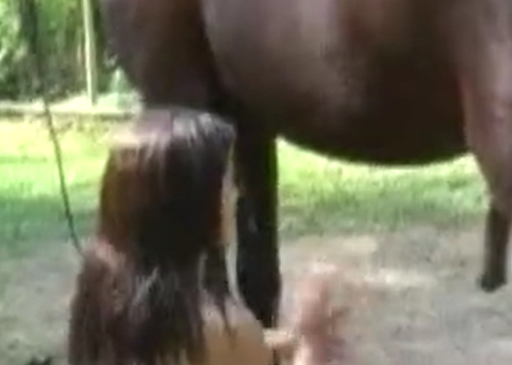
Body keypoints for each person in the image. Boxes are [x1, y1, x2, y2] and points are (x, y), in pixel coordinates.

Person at [67, 106, 349, 365]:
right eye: (227, 184)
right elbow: (228, 345)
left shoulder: (103, 296)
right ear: (193, 206)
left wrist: (288, 337)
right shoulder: (224, 330)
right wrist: (313, 344)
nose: (236, 195)